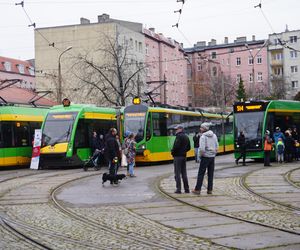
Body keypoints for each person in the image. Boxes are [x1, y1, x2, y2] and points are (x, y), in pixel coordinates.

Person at [192, 122, 218, 195]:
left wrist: (200, 155)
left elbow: (202, 149)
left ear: (204, 129)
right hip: (212, 157)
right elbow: (217, 146)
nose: (200, 129)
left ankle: (197, 189)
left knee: (201, 174)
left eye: (201, 127)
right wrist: (213, 154)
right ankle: (210, 190)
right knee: (210, 174)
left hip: (205, 157)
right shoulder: (214, 136)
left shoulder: (203, 137)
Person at [171, 125, 191, 194]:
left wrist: (172, 152)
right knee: (184, 173)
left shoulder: (178, 136)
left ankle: (178, 189)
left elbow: (176, 146)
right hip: (184, 156)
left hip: (177, 157)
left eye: (177, 129)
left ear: (180, 129)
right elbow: (189, 147)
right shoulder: (186, 136)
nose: (176, 130)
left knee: (177, 173)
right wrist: (184, 151)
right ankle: (187, 189)